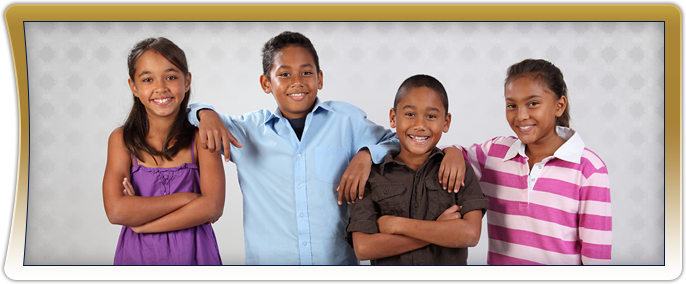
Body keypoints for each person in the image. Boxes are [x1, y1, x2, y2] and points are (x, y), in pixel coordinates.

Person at [186, 31, 464, 265]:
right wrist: (204, 112)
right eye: (284, 74)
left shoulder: (346, 120)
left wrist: (365, 155)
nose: (297, 81)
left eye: (306, 72)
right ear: (266, 83)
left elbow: (396, 140)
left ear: (319, 78)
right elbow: (184, 112)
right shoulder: (247, 131)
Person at [445, 59, 612, 265]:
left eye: (533, 103)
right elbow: (435, 156)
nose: (521, 116)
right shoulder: (494, 153)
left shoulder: (589, 169)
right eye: (512, 105)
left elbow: (597, 259)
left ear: (559, 106)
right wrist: (452, 152)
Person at [102, 37, 225, 265]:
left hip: (196, 256)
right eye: (148, 79)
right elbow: (116, 211)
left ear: (187, 81)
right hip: (138, 256)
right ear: (134, 87)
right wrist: (187, 199)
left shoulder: (201, 137)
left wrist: (143, 223)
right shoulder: (122, 140)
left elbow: (213, 206)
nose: (160, 88)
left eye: (171, 77)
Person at [344, 74, 489, 265]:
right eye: (410, 114)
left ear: (446, 122)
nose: (420, 125)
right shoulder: (373, 175)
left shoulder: (458, 169)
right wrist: (439, 230)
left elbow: (470, 234)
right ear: (393, 118)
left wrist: (397, 225)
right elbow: (364, 248)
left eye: (431, 116)